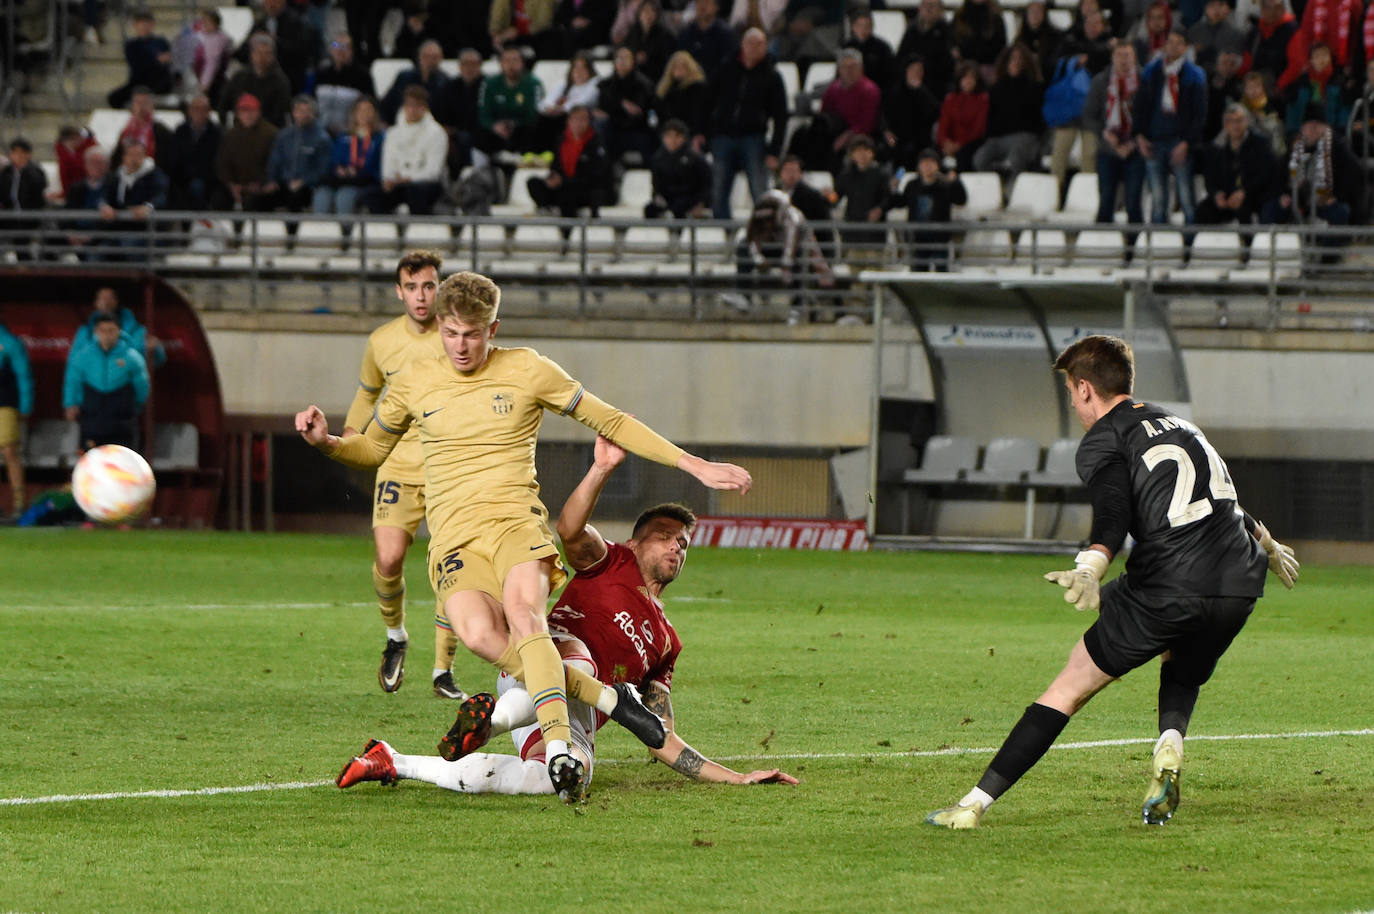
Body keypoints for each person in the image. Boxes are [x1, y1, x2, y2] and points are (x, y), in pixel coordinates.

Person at [294, 270, 754, 802]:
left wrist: (693, 464)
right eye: (450, 333)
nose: (460, 345)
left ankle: (558, 747)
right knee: (477, 635)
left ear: (493, 329)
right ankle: (608, 700)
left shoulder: (528, 369)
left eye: (472, 334)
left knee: (525, 617)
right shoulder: (414, 381)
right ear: (439, 327)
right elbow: (373, 449)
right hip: (454, 539)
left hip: (516, 525)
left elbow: (611, 419)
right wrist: (326, 442)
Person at [926, 334, 1300, 830]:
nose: (1073, 403)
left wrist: (1090, 566)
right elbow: (1220, 502)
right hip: (1239, 582)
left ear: (1084, 388)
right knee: (1180, 658)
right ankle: (1170, 744)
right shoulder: (1181, 425)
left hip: (1170, 584)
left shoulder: (1105, 438)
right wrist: (1267, 544)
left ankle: (972, 805)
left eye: (1070, 392)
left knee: (1072, 683)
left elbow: (1112, 513)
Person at [336, 437, 799, 797]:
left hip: (581, 713)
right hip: (536, 667)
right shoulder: (612, 560)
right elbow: (570, 529)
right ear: (635, 542)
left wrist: (737, 778)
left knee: (558, 778)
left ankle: (396, 761)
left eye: (683, 543)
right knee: (581, 659)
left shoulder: (667, 643)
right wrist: (601, 469)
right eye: (664, 535)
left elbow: (660, 735)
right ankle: (491, 723)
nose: (676, 546)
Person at [337, 250, 459, 697]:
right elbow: (367, 394)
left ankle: (443, 671)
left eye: (428, 286)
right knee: (388, 559)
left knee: (450, 566)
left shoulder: (456, 335)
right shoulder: (382, 341)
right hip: (397, 463)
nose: (421, 296)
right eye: (412, 287)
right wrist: (351, 434)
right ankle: (395, 638)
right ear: (399, 292)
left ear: (440, 288)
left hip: (448, 468)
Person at [707, 27, 789, 219]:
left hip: (754, 138)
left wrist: (774, 151)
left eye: (759, 44)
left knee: (759, 189)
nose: (754, 48)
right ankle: (723, 230)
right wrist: (704, 132)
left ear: (766, 47)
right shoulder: (725, 69)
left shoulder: (772, 76)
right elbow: (707, 102)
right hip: (722, 136)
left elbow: (780, 117)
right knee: (718, 190)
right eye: (750, 43)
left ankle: (763, 227)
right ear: (742, 45)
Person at [722, 188, 835, 320]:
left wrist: (786, 267)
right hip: (771, 249)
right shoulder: (759, 215)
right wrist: (759, 259)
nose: (766, 223)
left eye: (769, 219)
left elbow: (792, 244)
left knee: (799, 259)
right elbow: (751, 238)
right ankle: (744, 296)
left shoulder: (792, 217)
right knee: (743, 246)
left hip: (795, 252)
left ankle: (797, 307)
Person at [1133, 28, 1206, 224]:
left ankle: (1190, 241)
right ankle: (1159, 239)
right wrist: (1140, 135)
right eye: (1170, 42)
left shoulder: (1195, 75)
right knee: (1158, 199)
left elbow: (1199, 114)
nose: (1173, 47)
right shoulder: (1151, 71)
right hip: (1154, 140)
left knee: (1186, 198)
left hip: (1179, 142)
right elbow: (1140, 106)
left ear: (1185, 47)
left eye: (1178, 43)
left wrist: (1187, 142)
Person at [1267, 103, 1366, 230]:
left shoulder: (1338, 148)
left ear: (1326, 127)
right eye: (1309, 125)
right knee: (1272, 209)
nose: (1313, 129)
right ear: (1302, 128)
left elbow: (1355, 177)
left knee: (1339, 212)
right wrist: (1284, 195)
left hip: (1326, 203)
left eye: (1317, 125)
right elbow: (1280, 176)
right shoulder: (1295, 147)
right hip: (1298, 201)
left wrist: (1337, 197)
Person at [63, 313, 151, 453]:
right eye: (103, 330)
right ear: (96, 332)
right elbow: (73, 380)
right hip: (92, 417)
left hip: (122, 420)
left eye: (111, 330)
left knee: (122, 459)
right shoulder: (84, 355)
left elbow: (142, 385)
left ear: (119, 331)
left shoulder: (131, 357)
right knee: (91, 458)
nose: (107, 335)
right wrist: (71, 403)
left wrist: (136, 405)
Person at [1085, 42, 1146, 225]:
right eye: (1119, 55)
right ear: (1113, 58)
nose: (1123, 60)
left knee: (1133, 203)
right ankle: (1103, 240)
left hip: (1136, 150)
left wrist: (1135, 142)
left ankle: (1134, 242)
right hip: (1107, 150)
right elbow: (1089, 116)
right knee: (1106, 200)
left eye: (1127, 55)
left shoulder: (1145, 81)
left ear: (1134, 58)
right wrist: (1105, 134)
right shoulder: (1100, 82)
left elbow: (1150, 116)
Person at [364, 85, 447, 218]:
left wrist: (408, 178)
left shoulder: (436, 133)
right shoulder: (393, 133)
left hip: (425, 184)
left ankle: (421, 228)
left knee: (415, 192)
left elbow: (433, 172)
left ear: (425, 107)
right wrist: (391, 179)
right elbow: (388, 166)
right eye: (409, 105)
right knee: (371, 195)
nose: (413, 110)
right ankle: (386, 227)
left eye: (417, 105)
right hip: (399, 184)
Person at [1197, 103, 1280, 226]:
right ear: (1225, 124)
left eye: (1239, 120)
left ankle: (1248, 238)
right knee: (1203, 211)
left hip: (1253, 195)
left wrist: (1244, 192)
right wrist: (1216, 194)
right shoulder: (1217, 147)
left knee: (1245, 211)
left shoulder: (1260, 144)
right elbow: (1210, 177)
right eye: (1231, 121)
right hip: (1227, 196)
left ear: (1247, 121)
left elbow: (1266, 175)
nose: (1235, 125)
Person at [527, 105, 612, 225]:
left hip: (584, 189)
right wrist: (553, 177)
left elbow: (599, 173)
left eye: (583, 119)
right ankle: (548, 209)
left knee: (568, 194)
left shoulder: (596, 142)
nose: (579, 123)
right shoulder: (561, 140)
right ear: (569, 121)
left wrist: (567, 181)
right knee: (533, 183)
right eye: (576, 119)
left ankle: (566, 231)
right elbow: (555, 166)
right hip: (563, 185)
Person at [259, 95, 333, 230]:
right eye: (299, 110)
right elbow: (275, 160)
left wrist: (304, 181)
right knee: (259, 199)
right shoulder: (284, 136)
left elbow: (322, 169)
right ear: (293, 112)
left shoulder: (322, 138)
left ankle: (291, 237)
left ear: (313, 113)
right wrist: (272, 180)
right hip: (284, 183)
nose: (302, 114)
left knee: (295, 198)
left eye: (306, 111)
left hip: (309, 187)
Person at [972, 43, 1045, 179]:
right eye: (1012, 58)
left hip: (1024, 136)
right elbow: (990, 117)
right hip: (998, 139)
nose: (1016, 62)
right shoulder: (996, 88)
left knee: (1015, 159)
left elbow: (1038, 118)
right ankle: (996, 185)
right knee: (980, 158)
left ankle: (1012, 189)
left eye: (1020, 58)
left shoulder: (1034, 87)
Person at [891, 147, 967, 271]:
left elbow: (961, 200)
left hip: (939, 239)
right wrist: (894, 189)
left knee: (941, 272)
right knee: (918, 272)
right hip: (917, 238)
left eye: (931, 162)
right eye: (924, 163)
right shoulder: (912, 185)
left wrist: (956, 182)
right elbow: (900, 202)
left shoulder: (945, 185)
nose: (927, 166)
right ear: (919, 166)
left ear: (938, 165)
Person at [314, 96, 384, 223]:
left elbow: (379, 167)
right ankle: (320, 231)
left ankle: (345, 233)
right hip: (342, 180)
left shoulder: (380, 138)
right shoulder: (344, 137)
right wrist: (339, 169)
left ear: (375, 113)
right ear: (354, 113)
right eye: (360, 109)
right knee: (322, 194)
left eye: (368, 109)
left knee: (344, 196)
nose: (363, 113)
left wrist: (359, 171)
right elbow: (334, 161)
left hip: (364, 183)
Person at [100, 137, 169, 259]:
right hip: (119, 228)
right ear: (124, 157)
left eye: (138, 155)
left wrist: (147, 207)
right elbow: (105, 195)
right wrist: (105, 206)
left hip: (145, 231)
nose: (134, 159)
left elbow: (161, 196)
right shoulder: (117, 176)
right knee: (101, 250)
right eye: (131, 155)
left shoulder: (155, 175)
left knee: (130, 246)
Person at [71, 287, 166, 370]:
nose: (106, 303)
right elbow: (74, 362)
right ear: (96, 303)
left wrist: (156, 350)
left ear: (117, 302)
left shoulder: (138, 331)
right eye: (102, 298)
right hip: (93, 383)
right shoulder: (85, 331)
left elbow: (156, 362)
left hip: (128, 383)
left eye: (110, 298)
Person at [214, 93, 280, 214]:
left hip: (261, 187)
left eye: (251, 111)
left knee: (254, 202)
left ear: (259, 112)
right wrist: (232, 185)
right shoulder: (230, 135)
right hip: (236, 186)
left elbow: (274, 163)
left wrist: (261, 183)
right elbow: (223, 163)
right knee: (218, 199)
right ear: (238, 114)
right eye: (244, 111)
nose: (247, 115)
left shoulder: (271, 134)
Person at [595, 45, 659, 164]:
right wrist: (622, 103)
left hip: (637, 129)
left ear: (633, 61)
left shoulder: (643, 84)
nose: (622, 61)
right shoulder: (605, 84)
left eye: (626, 58)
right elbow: (601, 109)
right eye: (619, 58)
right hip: (612, 128)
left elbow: (637, 111)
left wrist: (616, 107)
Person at [882, 55, 942, 173]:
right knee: (898, 159)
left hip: (923, 140)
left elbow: (935, 112)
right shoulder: (895, 92)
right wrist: (886, 130)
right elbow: (885, 115)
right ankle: (899, 180)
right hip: (900, 141)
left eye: (919, 70)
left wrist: (920, 91)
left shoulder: (929, 89)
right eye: (912, 70)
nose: (916, 73)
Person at [219, 33, 293, 127]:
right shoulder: (239, 77)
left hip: (268, 131)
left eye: (267, 53)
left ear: (273, 56)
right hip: (239, 128)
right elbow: (224, 105)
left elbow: (281, 113)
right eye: (259, 53)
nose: (262, 58)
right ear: (252, 54)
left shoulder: (281, 82)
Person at [644, 119, 711, 219]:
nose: (673, 140)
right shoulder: (658, 158)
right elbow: (656, 184)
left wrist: (701, 203)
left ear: (684, 138)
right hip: (668, 198)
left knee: (679, 207)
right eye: (669, 136)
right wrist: (657, 196)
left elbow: (706, 183)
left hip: (689, 198)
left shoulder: (694, 157)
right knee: (650, 210)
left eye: (677, 136)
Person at [0, 319, 34, 519]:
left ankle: (19, 504)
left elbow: (23, 375)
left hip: (4, 403)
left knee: (9, 451)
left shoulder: (9, 342)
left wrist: (25, 405)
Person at [168, 94, 223, 211]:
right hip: (182, 177)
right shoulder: (180, 131)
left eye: (204, 109)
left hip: (208, 180)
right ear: (190, 110)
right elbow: (174, 158)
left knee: (198, 187)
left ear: (209, 112)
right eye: (196, 108)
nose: (200, 112)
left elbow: (218, 162)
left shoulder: (217, 133)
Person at [107, 10, 173, 110]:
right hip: (139, 81)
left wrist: (155, 61)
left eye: (147, 23)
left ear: (152, 24)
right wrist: (156, 60)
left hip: (159, 82)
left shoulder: (161, 42)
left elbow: (167, 62)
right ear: (135, 25)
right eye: (141, 23)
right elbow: (137, 65)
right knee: (114, 98)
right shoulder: (132, 45)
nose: (144, 26)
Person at [1283, 42, 1350, 136]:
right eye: (1317, 56)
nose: (1321, 59)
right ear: (1311, 60)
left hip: (1331, 129)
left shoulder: (1339, 81)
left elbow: (1344, 109)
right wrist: (1293, 132)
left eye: (1324, 55)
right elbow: (1294, 109)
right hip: (1305, 128)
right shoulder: (1302, 82)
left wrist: (1339, 130)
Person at [314, 33, 374, 136]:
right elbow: (310, 99)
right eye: (336, 45)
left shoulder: (362, 76)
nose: (340, 50)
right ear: (330, 49)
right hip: (320, 131)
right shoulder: (321, 73)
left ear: (352, 51)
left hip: (349, 132)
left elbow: (370, 103)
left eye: (345, 46)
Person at [379, 39, 450, 128]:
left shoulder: (446, 83)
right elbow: (386, 104)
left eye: (435, 57)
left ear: (441, 58)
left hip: (431, 128)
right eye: (426, 56)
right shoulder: (404, 78)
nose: (430, 61)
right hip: (401, 125)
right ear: (419, 57)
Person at [0, 138, 47, 261]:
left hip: (29, 217)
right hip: (9, 215)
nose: (17, 156)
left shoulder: (35, 171)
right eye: (14, 152)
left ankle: (25, 264)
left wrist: (24, 171)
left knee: (22, 240)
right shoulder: (7, 172)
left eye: (21, 153)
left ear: (28, 154)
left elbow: (38, 188)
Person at [937, 62, 990, 172]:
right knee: (933, 156)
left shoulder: (982, 99)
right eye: (965, 77)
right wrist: (945, 142)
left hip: (972, 142)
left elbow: (978, 129)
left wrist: (958, 145)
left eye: (972, 77)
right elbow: (943, 126)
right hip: (950, 143)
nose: (968, 81)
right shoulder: (950, 99)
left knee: (963, 156)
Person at [653, 51, 711, 151]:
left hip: (689, 133)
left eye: (682, 66)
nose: (679, 70)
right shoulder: (664, 89)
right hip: (667, 132)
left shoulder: (697, 88)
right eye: (675, 66)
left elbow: (700, 114)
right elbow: (659, 112)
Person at [897, 0, 956, 98]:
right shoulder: (912, 30)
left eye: (932, 6)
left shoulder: (947, 31)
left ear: (940, 10)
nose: (928, 9)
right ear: (919, 8)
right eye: (925, 5)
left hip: (936, 82)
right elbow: (901, 56)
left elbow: (949, 61)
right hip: (910, 81)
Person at [676, 0, 737, 81]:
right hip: (689, 83)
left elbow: (729, 66)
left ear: (717, 6)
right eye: (699, 2)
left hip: (717, 83)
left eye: (707, 2)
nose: (702, 6)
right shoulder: (685, 33)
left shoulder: (726, 34)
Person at [844, 8, 897, 95]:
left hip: (878, 92)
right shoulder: (846, 47)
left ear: (872, 27)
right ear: (853, 27)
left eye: (867, 26)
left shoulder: (882, 47)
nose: (863, 29)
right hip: (851, 93)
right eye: (859, 25)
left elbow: (891, 75)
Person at [192, 8, 233, 104]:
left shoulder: (216, 40)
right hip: (207, 81)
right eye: (203, 21)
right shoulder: (207, 37)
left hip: (214, 85)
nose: (204, 24)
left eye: (207, 21)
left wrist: (204, 86)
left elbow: (211, 64)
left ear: (215, 23)